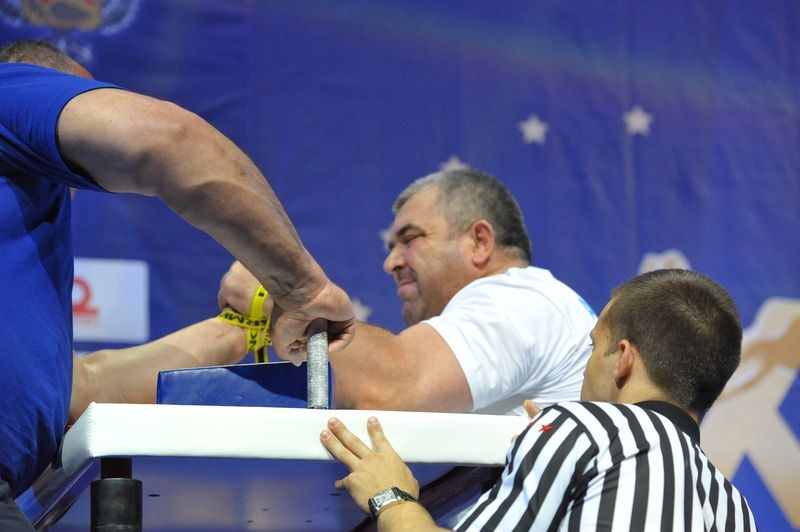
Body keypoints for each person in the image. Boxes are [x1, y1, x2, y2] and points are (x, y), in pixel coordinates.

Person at [0, 39, 354, 529]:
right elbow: (168, 140)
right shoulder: (10, 91)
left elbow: (82, 390)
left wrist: (238, 328)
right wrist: (304, 291)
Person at [320, 269, 758, 531]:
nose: (587, 367)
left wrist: (390, 496)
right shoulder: (734, 508)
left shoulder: (584, 429)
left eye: (592, 348)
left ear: (621, 358)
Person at [219, 169, 596, 415]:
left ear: (479, 241)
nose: (391, 263)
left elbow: (391, 390)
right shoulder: (540, 300)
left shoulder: (518, 299)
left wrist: (277, 292)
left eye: (410, 239)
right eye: (390, 248)